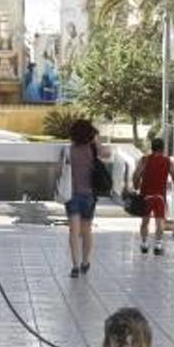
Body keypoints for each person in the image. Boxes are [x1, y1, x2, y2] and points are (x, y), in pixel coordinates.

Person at [64, 119, 111, 277]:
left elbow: (60, 170)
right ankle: (85, 262)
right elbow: (108, 153)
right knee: (86, 231)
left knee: (74, 231)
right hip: (89, 195)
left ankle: (75, 266)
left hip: (72, 195)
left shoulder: (69, 150)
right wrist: (96, 141)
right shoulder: (92, 149)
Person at [132, 137, 174, 256]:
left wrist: (136, 185)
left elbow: (136, 174)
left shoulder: (145, 160)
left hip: (146, 195)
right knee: (160, 221)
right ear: (163, 149)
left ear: (152, 148)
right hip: (160, 196)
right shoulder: (167, 161)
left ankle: (144, 243)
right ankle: (158, 245)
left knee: (145, 221)